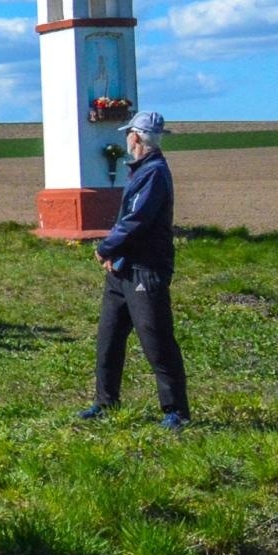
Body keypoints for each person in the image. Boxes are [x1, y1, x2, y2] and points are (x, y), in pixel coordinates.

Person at [79, 111, 191, 430]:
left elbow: (136, 220)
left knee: (156, 340)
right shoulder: (141, 170)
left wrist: (106, 247)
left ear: (137, 138)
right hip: (123, 270)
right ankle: (105, 401)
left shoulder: (154, 173)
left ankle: (176, 411)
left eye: (129, 133)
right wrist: (117, 255)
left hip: (145, 269)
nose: (126, 138)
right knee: (109, 339)